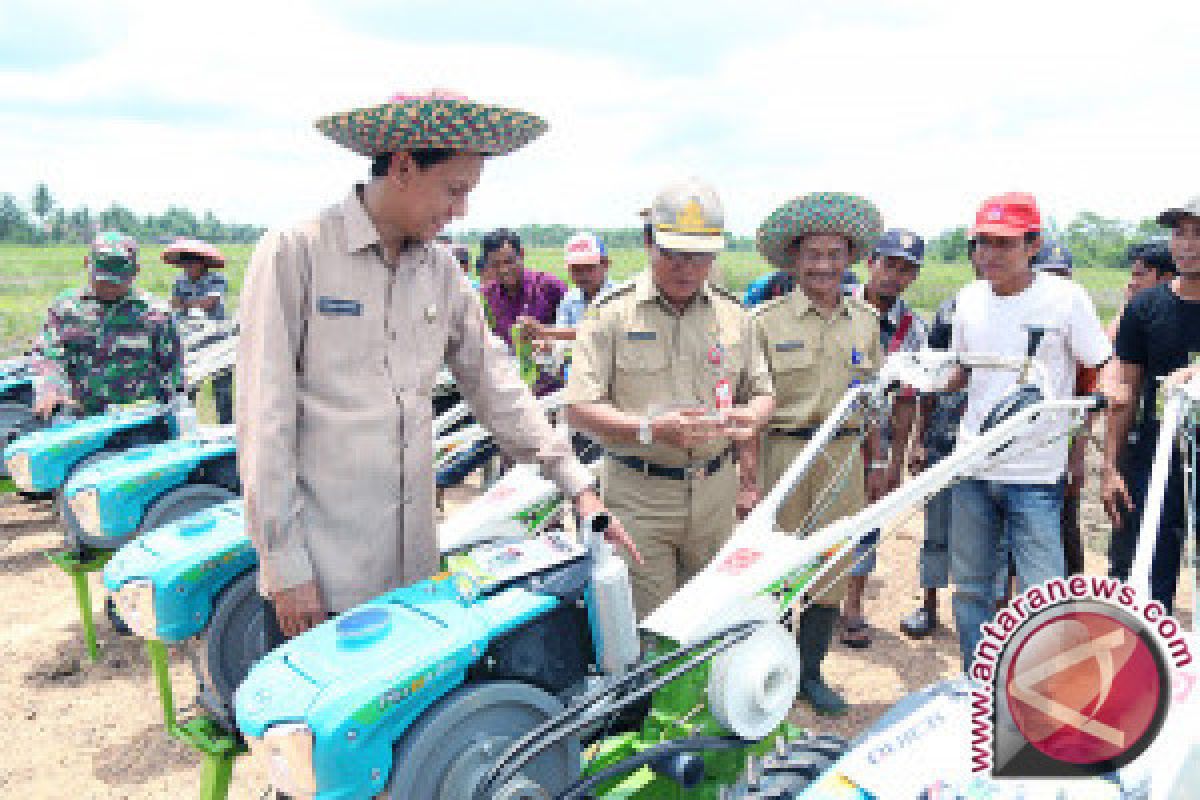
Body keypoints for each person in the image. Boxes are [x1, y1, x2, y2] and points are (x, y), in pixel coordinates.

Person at [236, 90, 634, 640]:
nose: (460, 210)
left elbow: (496, 384)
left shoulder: (441, 273)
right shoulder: (297, 253)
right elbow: (264, 420)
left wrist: (576, 484)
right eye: (453, 190)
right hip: (323, 577)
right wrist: (285, 566)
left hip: (413, 571)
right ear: (402, 167)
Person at [565, 178, 775, 619]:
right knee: (651, 626)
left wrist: (752, 417)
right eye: (674, 254)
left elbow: (762, 392)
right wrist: (648, 428)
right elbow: (579, 407)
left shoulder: (735, 316)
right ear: (648, 243)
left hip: (715, 494)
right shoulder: (610, 315)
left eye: (700, 257)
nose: (687, 269)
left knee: (709, 618)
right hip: (639, 497)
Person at [946, 193, 1111, 670]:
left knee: (1042, 593)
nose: (989, 255)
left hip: (1036, 472)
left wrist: (1106, 401)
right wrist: (923, 376)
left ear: (1033, 244)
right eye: (982, 243)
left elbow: (1101, 364)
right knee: (973, 587)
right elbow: (962, 372)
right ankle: (978, 682)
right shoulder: (969, 298)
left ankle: (1045, 689)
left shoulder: (1065, 299)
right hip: (972, 463)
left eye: (1004, 244)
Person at [743, 191, 886, 715]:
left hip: (843, 458)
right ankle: (770, 672)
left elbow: (872, 401)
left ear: (848, 259)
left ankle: (810, 673)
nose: (823, 265)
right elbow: (748, 406)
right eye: (813, 255)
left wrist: (874, 462)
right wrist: (749, 481)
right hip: (783, 454)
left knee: (830, 569)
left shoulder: (866, 322)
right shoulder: (764, 321)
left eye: (834, 254)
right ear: (795, 261)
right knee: (776, 569)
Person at [1102, 196, 1200, 612]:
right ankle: (1144, 668)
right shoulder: (1146, 308)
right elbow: (1124, 391)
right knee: (1142, 571)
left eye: (1199, 234)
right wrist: (1110, 466)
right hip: (1154, 454)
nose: (1188, 245)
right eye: (1180, 233)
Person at [840, 228, 929, 648]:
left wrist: (896, 461)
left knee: (867, 523)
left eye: (906, 269)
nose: (895, 276)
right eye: (889, 264)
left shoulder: (912, 329)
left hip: (877, 441)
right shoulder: (837, 306)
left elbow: (909, 399)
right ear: (870, 262)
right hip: (830, 435)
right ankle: (801, 602)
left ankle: (852, 604)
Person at [31, 231, 182, 418]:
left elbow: (173, 376)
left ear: (136, 271)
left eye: (118, 281)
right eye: (102, 280)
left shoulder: (157, 314)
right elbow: (47, 354)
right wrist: (50, 387)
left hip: (137, 425)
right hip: (78, 422)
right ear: (87, 264)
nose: (109, 287)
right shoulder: (65, 309)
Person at [163, 237, 234, 423]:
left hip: (218, 337)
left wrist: (185, 304)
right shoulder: (179, 281)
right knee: (189, 386)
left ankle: (227, 429)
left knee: (223, 388)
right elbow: (174, 304)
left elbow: (209, 303)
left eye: (192, 262)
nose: (188, 266)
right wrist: (188, 305)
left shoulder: (217, 279)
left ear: (203, 263)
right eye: (184, 262)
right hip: (191, 338)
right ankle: (188, 427)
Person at [519, 231, 613, 342]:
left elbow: (599, 333)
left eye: (589, 267)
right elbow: (561, 335)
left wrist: (544, 331)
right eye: (576, 269)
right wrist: (547, 344)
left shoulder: (619, 297)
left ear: (605, 265)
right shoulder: (570, 299)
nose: (583, 274)